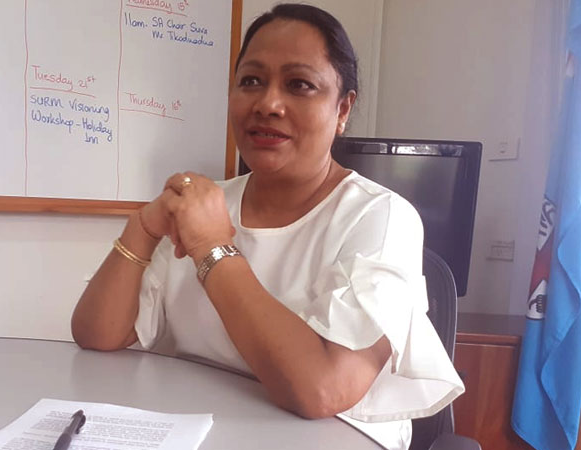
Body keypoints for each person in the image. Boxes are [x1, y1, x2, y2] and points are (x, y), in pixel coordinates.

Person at [71, 4, 464, 449]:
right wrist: (143, 227)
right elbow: (97, 334)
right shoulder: (207, 204)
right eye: (251, 81)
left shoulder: (381, 217)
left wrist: (212, 248)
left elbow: (323, 389)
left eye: (299, 85)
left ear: (342, 109)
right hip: (204, 434)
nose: (267, 104)